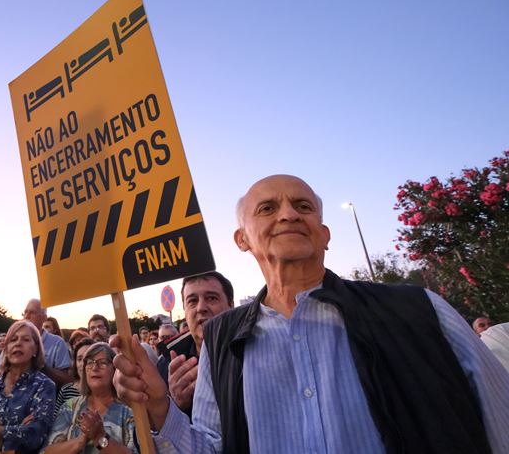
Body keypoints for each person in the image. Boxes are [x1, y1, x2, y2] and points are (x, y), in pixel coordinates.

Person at [112, 174, 509, 453]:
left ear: (323, 232)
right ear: (242, 239)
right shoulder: (221, 341)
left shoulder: (421, 311)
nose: (288, 215)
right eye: (268, 208)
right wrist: (161, 407)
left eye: (302, 206)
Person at [156, 271, 234, 414]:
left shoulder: (254, 351)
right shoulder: (166, 363)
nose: (201, 308)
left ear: (231, 306)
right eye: (192, 301)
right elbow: (157, 428)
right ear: (185, 311)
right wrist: (174, 405)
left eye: (212, 298)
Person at [43, 342, 138, 454]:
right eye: (89, 363)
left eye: (102, 363)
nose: (94, 368)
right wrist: (80, 441)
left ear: (115, 369)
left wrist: (100, 437)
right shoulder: (70, 406)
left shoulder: (130, 410)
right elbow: (49, 451)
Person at [0, 320, 56, 453]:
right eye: (13, 340)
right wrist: (18, 428)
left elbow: (34, 436)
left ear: (36, 348)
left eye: (26, 339)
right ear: (6, 349)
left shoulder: (44, 385)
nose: (18, 343)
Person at [23, 299, 73, 386]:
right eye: (25, 312)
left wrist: (42, 365)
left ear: (44, 318)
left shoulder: (57, 343)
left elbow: (67, 379)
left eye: (32, 312)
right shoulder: (14, 341)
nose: (26, 316)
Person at [55, 337, 95, 414]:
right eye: (79, 359)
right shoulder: (66, 391)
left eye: (88, 358)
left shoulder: (105, 391)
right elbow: (55, 421)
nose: (83, 363)